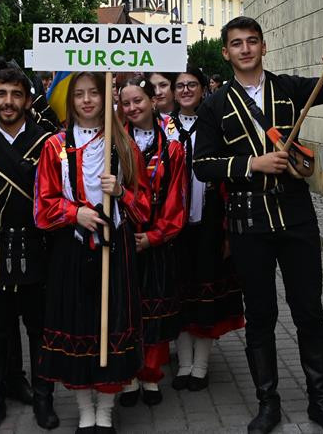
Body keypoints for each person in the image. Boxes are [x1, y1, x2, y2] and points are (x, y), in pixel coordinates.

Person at [193, 17, 323, 434]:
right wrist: (252, 163)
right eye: (236, 43)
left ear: (264, 47)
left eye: (252, 42)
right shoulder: (214, 105)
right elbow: (202, 165)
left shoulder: (287, 88)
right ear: (226, 52)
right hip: (248, 223)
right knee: (262, 315)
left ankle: (321, 403)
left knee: (310, 311)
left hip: (296, 216)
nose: (245, 49)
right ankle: (268, 403)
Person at [34, 72, 149, 433]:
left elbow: (145, 207)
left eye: (93, 93)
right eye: (79, 94)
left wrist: (122, 193)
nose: (86, 100)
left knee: (111, 325)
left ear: (105, 97)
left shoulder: (123, 144)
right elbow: (42, 206)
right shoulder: (53, 146)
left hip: (116, 250)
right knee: (77, 325)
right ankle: (85, 409)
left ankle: (106, 409)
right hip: (72, 249)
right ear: (70, 100)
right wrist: (75, 213)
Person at [0, 67, 59, 430]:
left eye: (15, 94)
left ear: (28, 100)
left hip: (37, 245)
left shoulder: (48, 142)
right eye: (1, 94)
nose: (8, 102)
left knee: (39, 328)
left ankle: (43, 398)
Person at [171, 67, 244, 391]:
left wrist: (229, 229)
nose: (186, 90)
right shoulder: (163, 127)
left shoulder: (215, 125)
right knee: (180, 296)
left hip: (209, 222)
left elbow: (229, 177)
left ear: (203, 89)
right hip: (173, 227)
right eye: (180, 85)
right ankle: (184, 363)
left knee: (206, 297)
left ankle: (200, 365)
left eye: (192, 85)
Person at [117, 76, 186, 408]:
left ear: (153, 100)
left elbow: (177, 198)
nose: (132, 108)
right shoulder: (112, 143)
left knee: (155, 313)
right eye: (126, 103)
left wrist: (156, 236)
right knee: (125, 311)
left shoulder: (171, 148)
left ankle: (151, 375)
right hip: (121, 239)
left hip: (155, 241)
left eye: (138, 101)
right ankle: (127, 377)